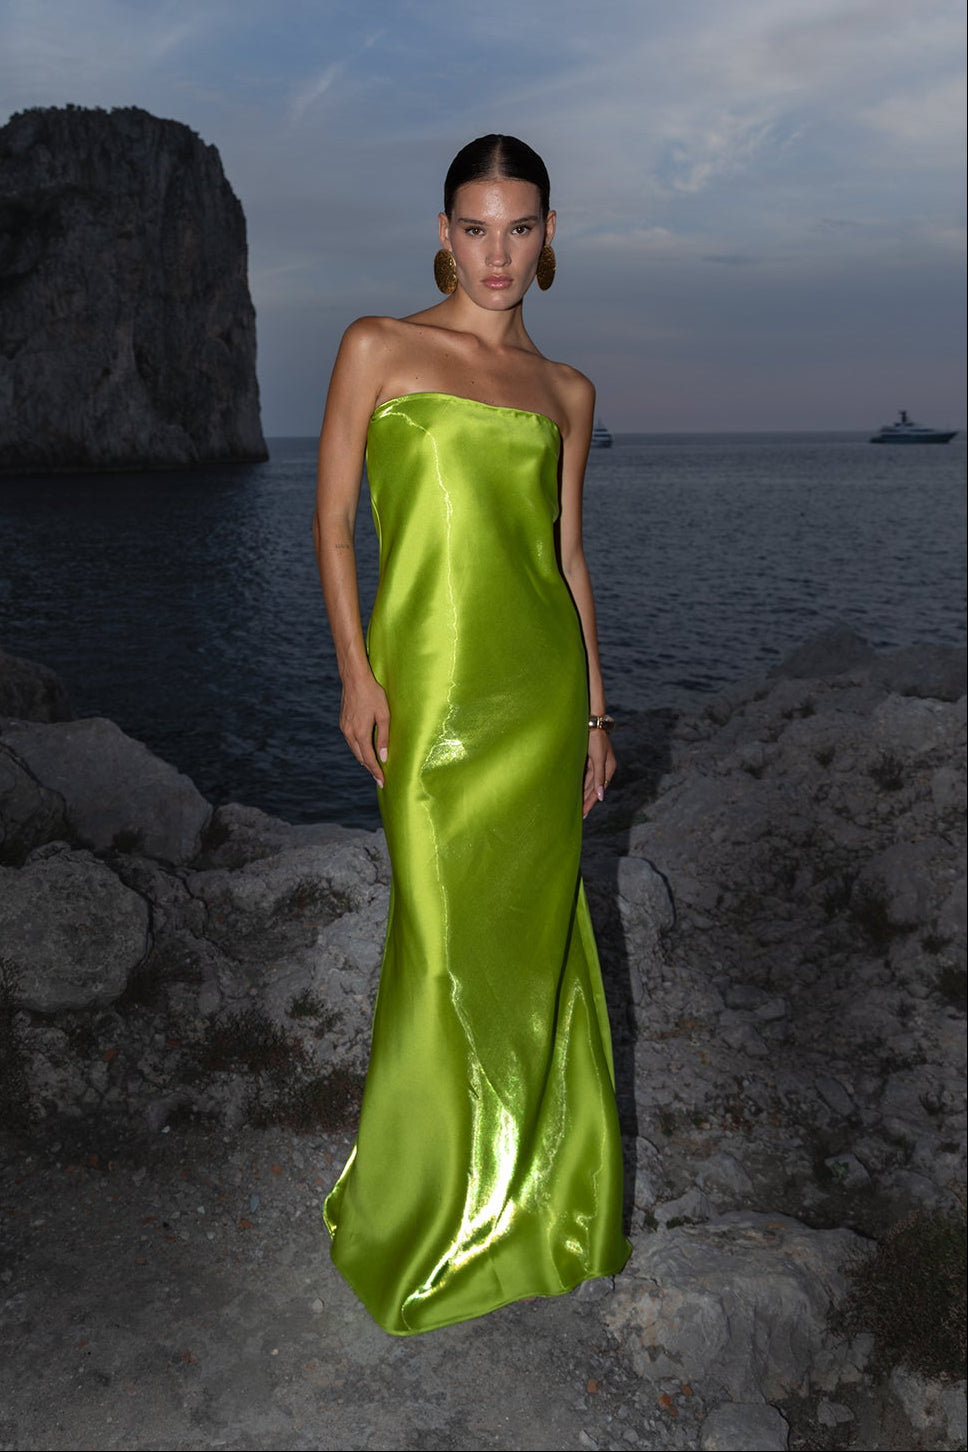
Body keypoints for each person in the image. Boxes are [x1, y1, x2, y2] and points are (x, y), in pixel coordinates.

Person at [313, 134, 630, 1336]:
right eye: (476, 227)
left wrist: (594, 711)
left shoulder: (567, 392)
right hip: (431, 699)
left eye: (520, 227)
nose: (498, 253)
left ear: (548, 238)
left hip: (538, 702)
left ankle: (538, 1206)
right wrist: (356, 673)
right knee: (440, 945)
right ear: (443, 234)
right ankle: (426, 1211)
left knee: (534, 948)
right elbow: (331, 527)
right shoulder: (376, 346)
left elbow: (567, 560)